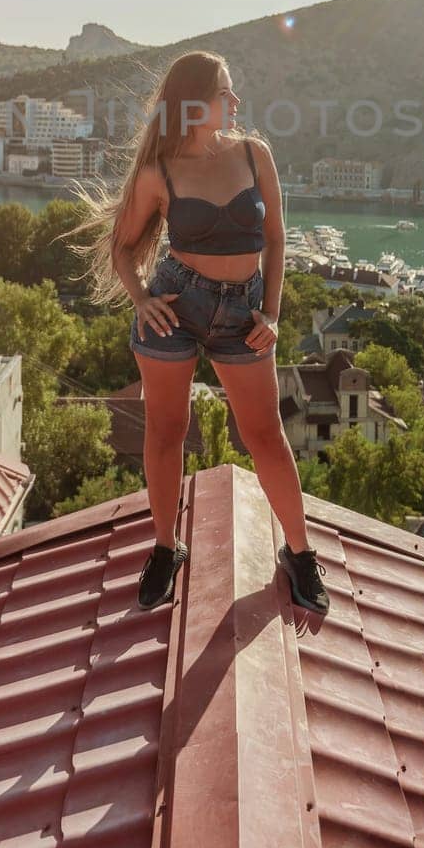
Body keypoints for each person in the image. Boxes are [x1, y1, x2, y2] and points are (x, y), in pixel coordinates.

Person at [59, 50, 329, 616]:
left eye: (232, 92)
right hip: (178, 304)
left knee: (264, 435)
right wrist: (142, 299)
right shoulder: (160, 170)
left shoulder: (256, 155)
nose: (235, 102)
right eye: (223, 93)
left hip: (244, 313)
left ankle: (299, 553)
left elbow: (276, 239)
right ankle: (165, 547)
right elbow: (123, 248)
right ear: (192, 104)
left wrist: (273, 315)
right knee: (166, 428)